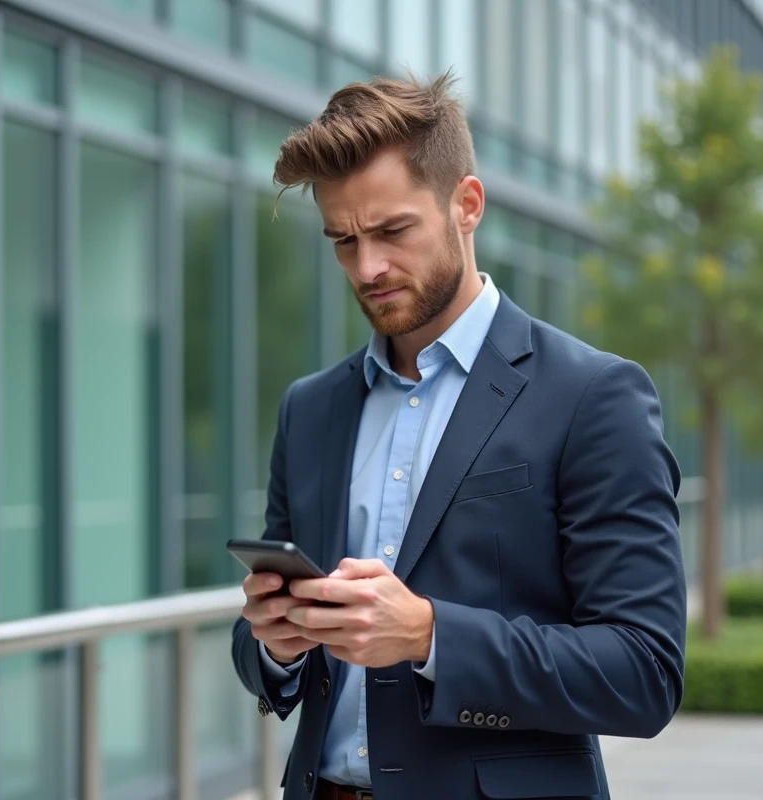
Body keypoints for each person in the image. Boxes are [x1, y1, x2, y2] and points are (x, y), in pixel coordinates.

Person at [229, 73, 686, 800]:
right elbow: (265, 654)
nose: (367, 267)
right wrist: (276, 646)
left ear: (466, 205)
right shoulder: (309, 409)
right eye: (343, 240)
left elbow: (644, 671)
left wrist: (430, 635)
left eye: (391, 231)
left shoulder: (594, 397)